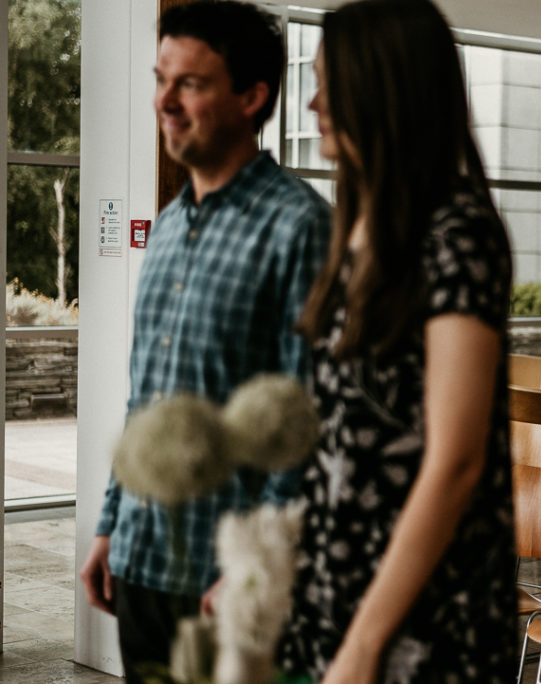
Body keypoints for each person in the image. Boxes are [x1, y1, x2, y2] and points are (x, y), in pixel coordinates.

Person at [78, 3, 332, 681]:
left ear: (252, 97)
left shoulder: (300, 226)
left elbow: (309, 419)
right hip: (141, 561)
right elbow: (147, 401)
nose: (164, 101)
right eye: (161, 79)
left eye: (190, 83)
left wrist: (256, 572)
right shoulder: (165, 227)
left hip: (228, 584)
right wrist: (110, 524)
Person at [276, 1, 518, 682]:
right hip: (340, 590)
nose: (315, 101)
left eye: (332, 82)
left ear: (384, 89)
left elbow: (455, 462)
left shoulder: (456, 233)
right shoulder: (359, 229)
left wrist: (362, 644)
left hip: (420, 617)